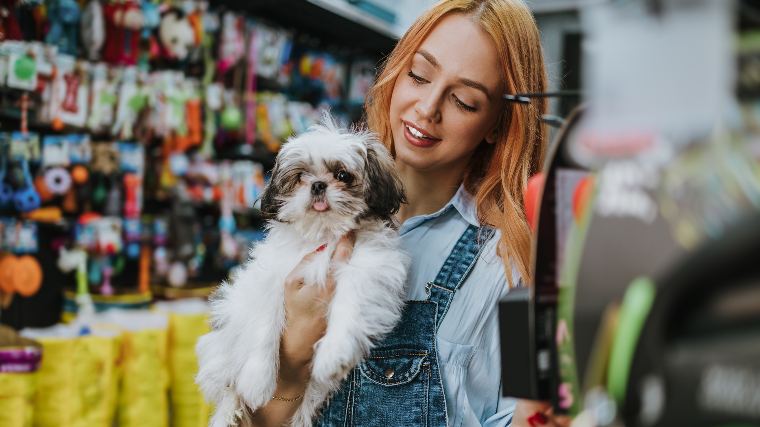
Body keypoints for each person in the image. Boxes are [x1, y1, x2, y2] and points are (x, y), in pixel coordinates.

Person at [249, 0, 567, 425]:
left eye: (465, 101)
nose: (427, 108)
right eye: (419, 75)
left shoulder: (505, 266)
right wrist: (291, 357)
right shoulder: (308, 217)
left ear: (497, 124)